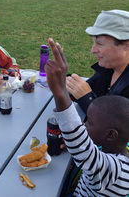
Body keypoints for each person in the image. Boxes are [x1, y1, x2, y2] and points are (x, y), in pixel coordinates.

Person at [45, 38, 129, 196]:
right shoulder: (111, 152)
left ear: (111, 134)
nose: (84, 126)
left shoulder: (113, 171)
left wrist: (59, 91)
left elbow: (82, 148)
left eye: (89, 123)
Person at [66, 10, 129, 114]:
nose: (93, 50)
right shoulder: (109, 67)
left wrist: (87, 98)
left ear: (126, 45)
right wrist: (67, 84)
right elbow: (90, 88)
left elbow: (114, 125)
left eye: (99, 43)